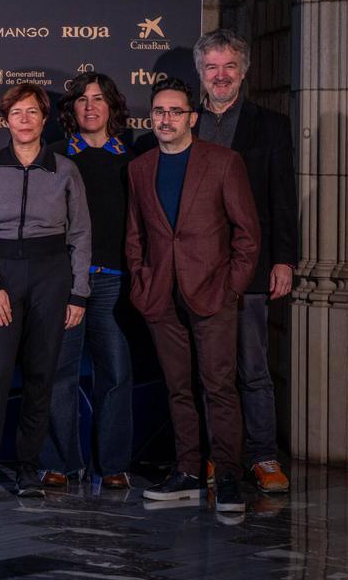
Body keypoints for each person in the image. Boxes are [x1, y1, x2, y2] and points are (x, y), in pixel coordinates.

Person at [127, 77, 259, 515]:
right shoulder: (140, 167)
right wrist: (142, 281)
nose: (166, 119)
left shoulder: (223, 162)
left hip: (213, 293)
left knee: (219, 386)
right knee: (178, 388)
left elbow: (247, 235)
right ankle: (186, 471)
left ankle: (227, 477)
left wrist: (232, 288)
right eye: (159, 112)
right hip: (161, 294)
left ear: (192, 118)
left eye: (175, 112)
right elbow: (135, 235)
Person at [0, 82, 91, 501]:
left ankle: (27, 470)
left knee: (41, 375)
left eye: (32, 112)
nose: (24, 120)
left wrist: (78, 293)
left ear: (44, 118)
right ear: (5, 120)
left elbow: (80, 234)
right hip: (1, 273)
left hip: (51, 276)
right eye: (16, 113)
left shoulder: (65, 171)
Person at [192, 29, 296, 494]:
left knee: (252, 367)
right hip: (196, 268)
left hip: (251, 267)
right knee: (209, 369)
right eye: (212, 66)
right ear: (201, 72)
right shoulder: (184, 121)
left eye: (229, 66)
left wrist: (284, 261)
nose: (220, 75)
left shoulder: (269, 125)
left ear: (244, 71)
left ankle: (263, 457)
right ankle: (218, 456)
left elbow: (281, 198)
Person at [40, 72, 135, 491]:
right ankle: (60, 462)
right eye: (82, 100)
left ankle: (112, 464)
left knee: (114, 373)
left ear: (112, 106)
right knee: (60, 373)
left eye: (99, 99)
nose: (91, 106)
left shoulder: (133, 160)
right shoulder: (56, 158)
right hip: (66, 283)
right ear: (71, 109)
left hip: (115, 282)